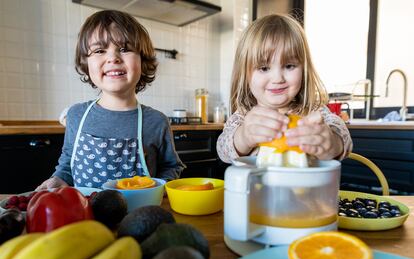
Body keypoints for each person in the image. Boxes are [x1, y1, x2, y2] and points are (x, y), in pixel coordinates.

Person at [37, 10, 184, 190]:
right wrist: (57, 180)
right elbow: (68, 165)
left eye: (124, 49)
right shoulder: (76, 116)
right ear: (86, 63)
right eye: (99, 50)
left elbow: (171, 167)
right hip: (84, 214)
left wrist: (159, 188)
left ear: (142, 61)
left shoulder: (156, 121)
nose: (113, 58)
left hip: (137, 215)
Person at [217, 14, 352, 163]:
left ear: (304, 70)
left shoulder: (314, 114)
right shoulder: (243, 117)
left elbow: (344, 139)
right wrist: (243, 137)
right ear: (245, 75)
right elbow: (223, 150)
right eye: (263, 68)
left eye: (289, 66)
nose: (277, 79)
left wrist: (332, 143)